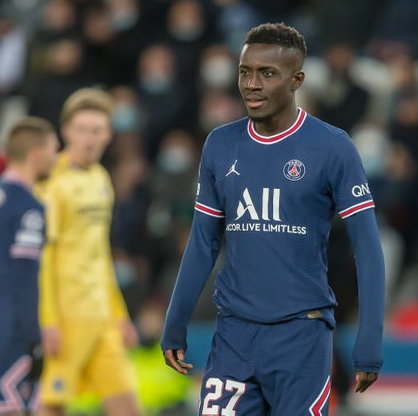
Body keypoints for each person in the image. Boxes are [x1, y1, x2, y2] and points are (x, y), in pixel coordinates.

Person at [161, 22, 385, 415]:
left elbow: (367, 248)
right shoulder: (221, 143)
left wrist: (369, 338)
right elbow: (202, 242)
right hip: (234, 333)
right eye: (245, 72)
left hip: (301, 335)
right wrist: (175, 320)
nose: (252, 83)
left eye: (267, 73)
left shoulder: (332, 147)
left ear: (297, 79)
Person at [35, 88, 142, 416]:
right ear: (66, 130)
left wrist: (119, 313)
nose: (89, 138)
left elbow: (100, 253)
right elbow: (44, 257)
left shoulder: (101, 178)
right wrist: (48, 320)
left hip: (102, 318)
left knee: (127, 406)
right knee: (52, 406)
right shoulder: (51, 182)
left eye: (96, 130)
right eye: (81, 130)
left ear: (108, 134)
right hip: (68, 318)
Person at [0, 116, 60, 415]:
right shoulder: (28, 206)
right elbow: (24, 277)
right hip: (8, 327)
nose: (57, 158)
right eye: (54, 150)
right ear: (36, 154)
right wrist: (35, 336)